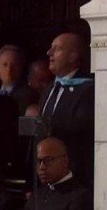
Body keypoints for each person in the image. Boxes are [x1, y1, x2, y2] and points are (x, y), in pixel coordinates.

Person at [40, 32, 95, 189]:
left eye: (56, 49)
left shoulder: (88, 90)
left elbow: (83, 127)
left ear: (72, 56)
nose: (49, 53)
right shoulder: (49, 88)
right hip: (45, 178)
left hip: (74, 176)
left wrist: (50, 124)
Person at [0, 44, 36, 115]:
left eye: (14, 65)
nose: (9, 69)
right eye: (5, 64)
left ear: (20, 67)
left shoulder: (28, 95)